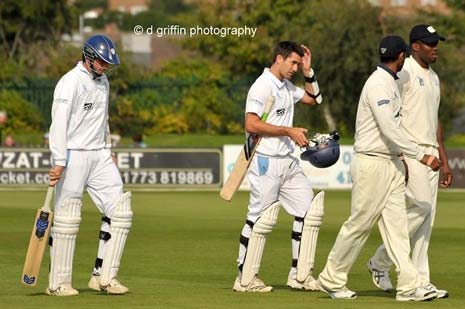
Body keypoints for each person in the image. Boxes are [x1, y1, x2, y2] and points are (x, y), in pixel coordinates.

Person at [313, 35, 441, 301]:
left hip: (390, 163)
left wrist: (402, 159)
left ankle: (408, 286)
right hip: (372, 162)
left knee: (396, 227)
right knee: (359, 224)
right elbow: (389, 128)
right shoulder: (379, 83)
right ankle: (331, 278)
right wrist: (421, 155)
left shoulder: (389, 82)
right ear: (401, 57)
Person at [367, 24, 453, 299]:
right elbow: (391, 116)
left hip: (431, 156)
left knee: (426, 220)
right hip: (413, 153)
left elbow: (434, 121)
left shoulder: (435, 78)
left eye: (436, 42)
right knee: (421, 209)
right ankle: (381, 260)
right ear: (414, 46)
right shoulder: (403, 74)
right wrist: (402, 154)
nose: (435, 47)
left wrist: (444, 158)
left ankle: (420, 281)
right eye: (429, 43)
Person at [232, 41, 325, 292]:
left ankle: (299, 274)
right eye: (293, 62)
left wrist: (308, 71)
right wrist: (288, 130)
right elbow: (251, 125)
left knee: (310, 213)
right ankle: (245, 278)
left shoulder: (286, 86)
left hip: (288, 162)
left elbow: (314, 99)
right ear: (278, 59)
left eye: (298, 62)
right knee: (259, 220)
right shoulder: (262, 86)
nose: (295, 67)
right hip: (266, 161)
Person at [47, 34, 133, 296]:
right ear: (88, 57)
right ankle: (58, 283)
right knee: (67, 217)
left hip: (99, 154)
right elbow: (58, 123)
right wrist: (59, 160)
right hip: (73, 154)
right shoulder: (69, 82)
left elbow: (101, 118)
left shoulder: (103, 81)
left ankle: (104, 276)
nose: (106, 67)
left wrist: (108, 147)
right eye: (102, 62)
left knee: (121, 210)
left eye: (108, 63)